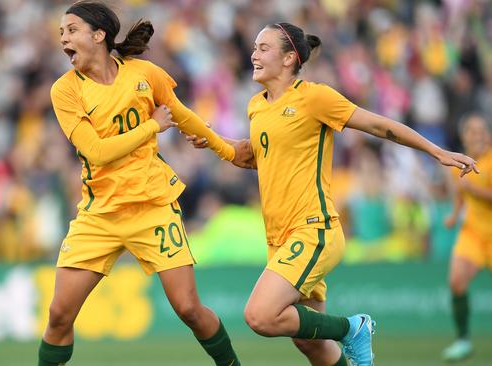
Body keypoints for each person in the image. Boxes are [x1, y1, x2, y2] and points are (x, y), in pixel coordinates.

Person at [185, 22, 478, 366]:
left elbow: (378, 125)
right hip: (279, 237)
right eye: (254, 46)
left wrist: (437, 152)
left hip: (313, 230)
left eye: (264, 48)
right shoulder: (256, 106)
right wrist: (214, 141)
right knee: (308, 343)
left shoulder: (314, 97)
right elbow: (253, 156)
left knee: (260, 316)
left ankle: (353, 328)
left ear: (289, 57)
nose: (253, 54)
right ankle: (346, 336)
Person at [38, 2, 242, 366]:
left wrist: (227, 151)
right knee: (58, 316)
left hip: (152, 206)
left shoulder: (145, 74)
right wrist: (151, 126)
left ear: (98, 35)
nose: (63, 39)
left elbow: (182, 115)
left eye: (70, 30)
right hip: (100, 214)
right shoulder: (65, 91)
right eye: (61, 33)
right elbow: (98, 152)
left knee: (189, 309)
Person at [442, 113, 492, 362]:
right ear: (465, 136)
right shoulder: (460, 165)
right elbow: (462, 195)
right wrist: (454, 213)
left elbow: (472, 190)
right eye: (473, 131)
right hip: (473, 232)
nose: (478, 135)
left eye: (482, 130)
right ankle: (463, 340)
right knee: (456, 281)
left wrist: (474, 190)